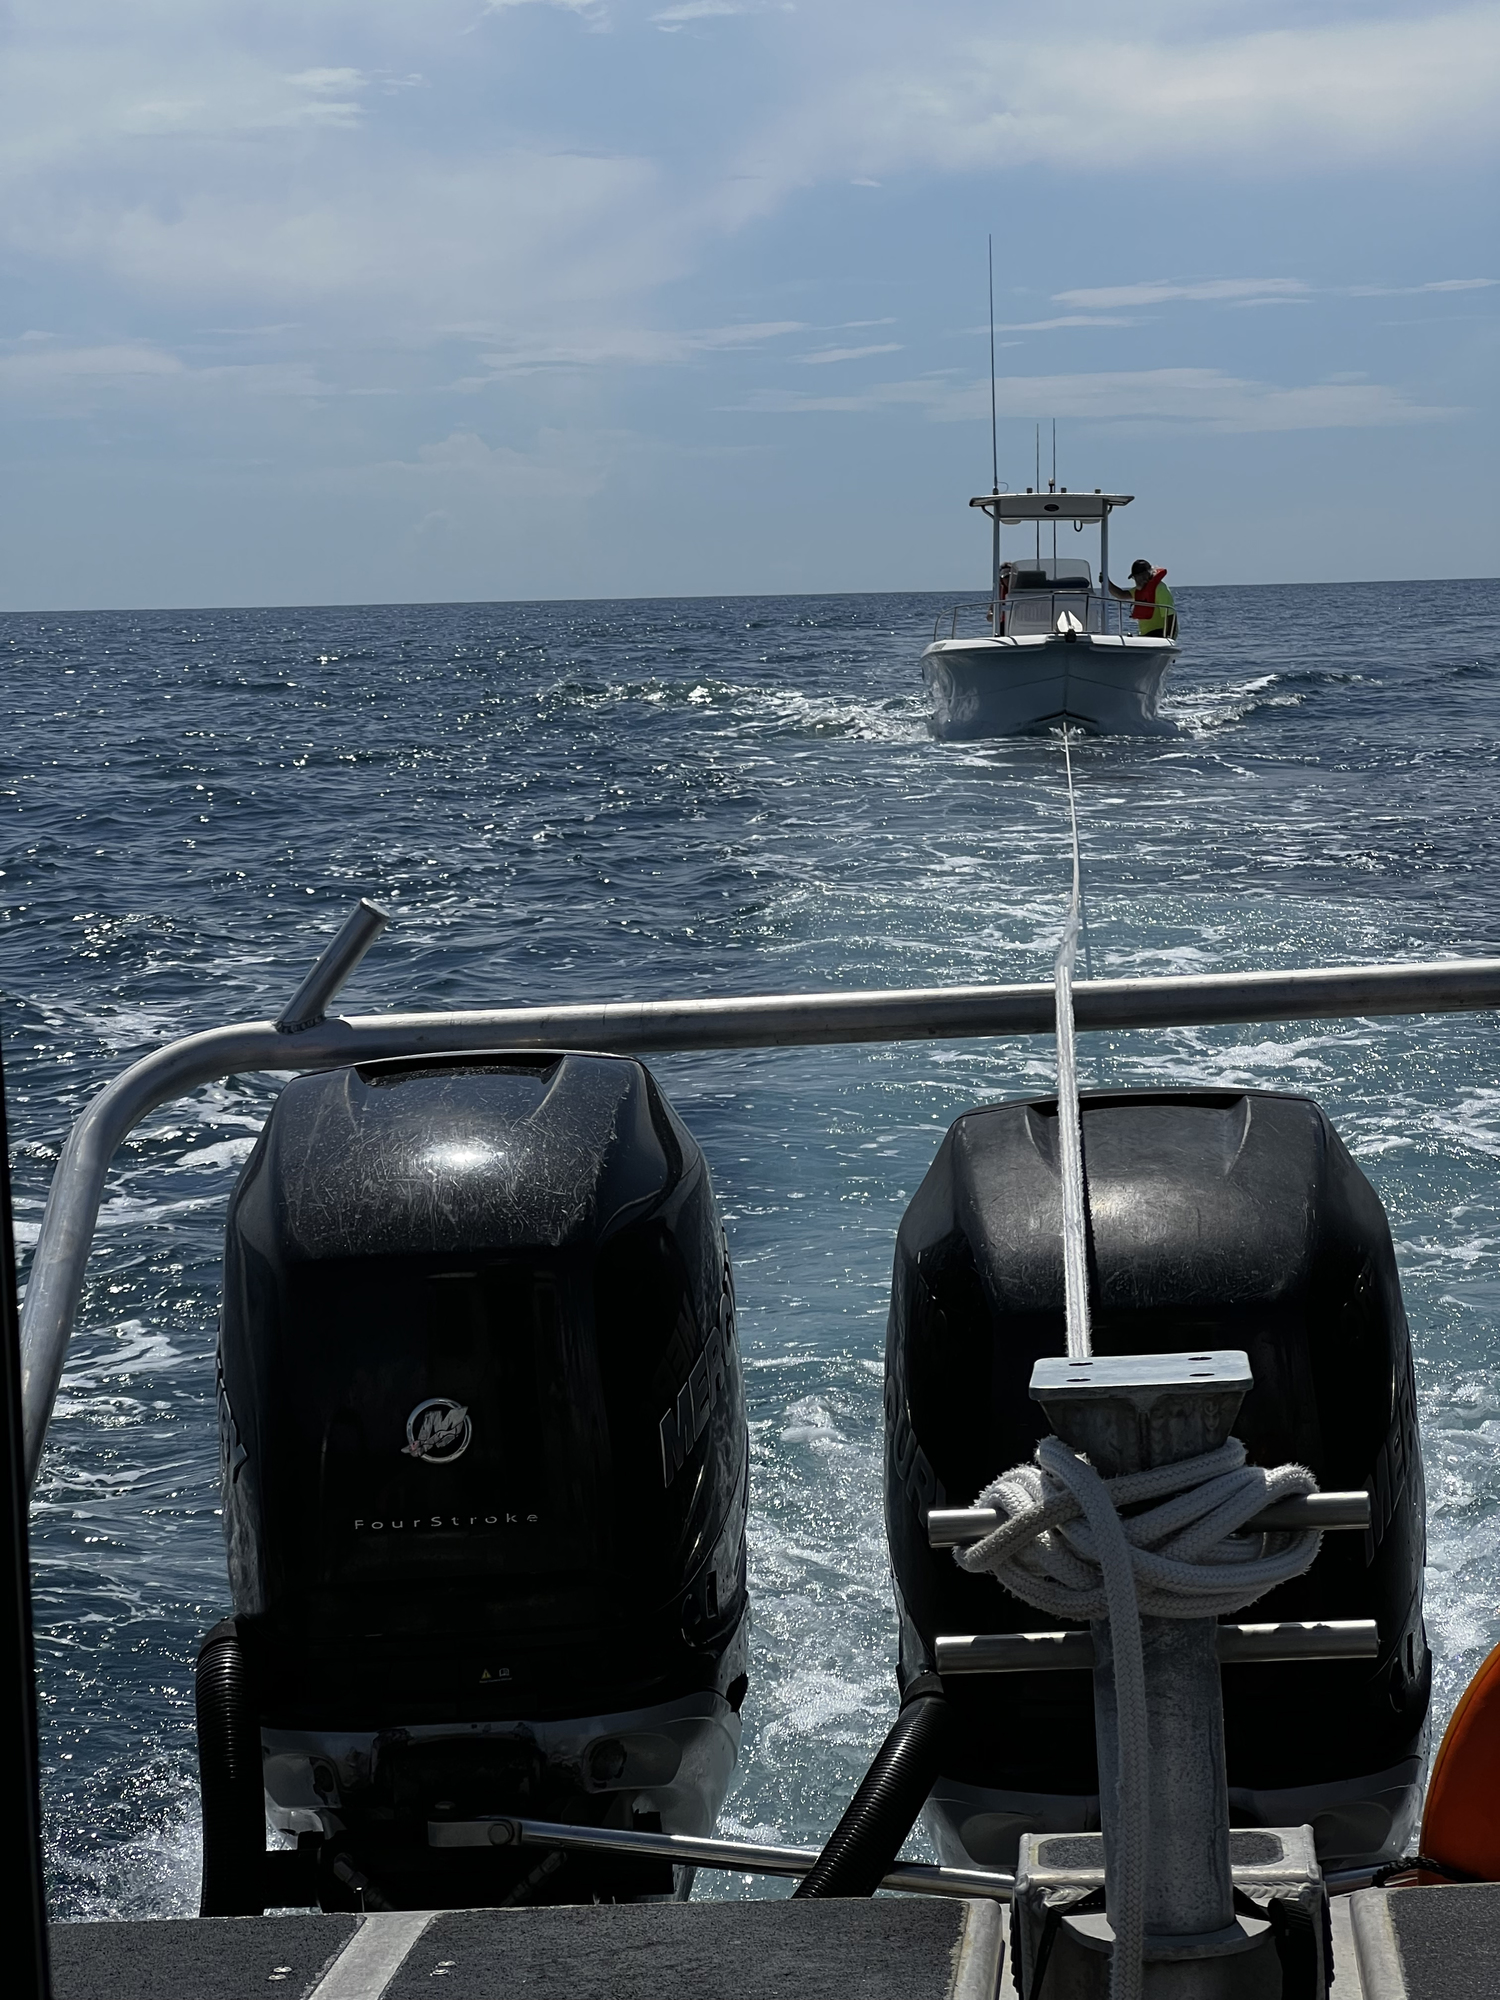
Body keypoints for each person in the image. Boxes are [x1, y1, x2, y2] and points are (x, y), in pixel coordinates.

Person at [1110, 558, 1177, 638]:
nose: (1136, 580)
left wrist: (1168, 638)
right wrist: (1106, 583)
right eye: (1134, 578)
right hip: (1146, 635)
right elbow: (1122, 595)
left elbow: (1170, 614)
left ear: (1146, 574)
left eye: (1138, 577)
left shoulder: (1160, 589)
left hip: (1159, 633)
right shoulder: (1140, 590)